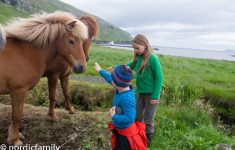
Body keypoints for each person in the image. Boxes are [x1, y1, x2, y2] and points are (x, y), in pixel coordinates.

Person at [94, 63, 147, 150]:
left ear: (117, 83)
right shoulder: (121, 87)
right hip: (120, 130)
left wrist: (114, 116)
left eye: (113, 79)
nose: (111, 80)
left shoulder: (127, 99)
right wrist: (100, 71)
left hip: (125, 136)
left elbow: (130, 118)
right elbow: (109, 78)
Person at [127, 34, 164, 146]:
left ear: (145, 45)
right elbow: (129, 66)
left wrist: (155, 96)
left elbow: (159, 78)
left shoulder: (153, 59)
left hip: (151, 95)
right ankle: (138, 137)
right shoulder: (139, 57)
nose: (135, 50)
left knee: (148, 119)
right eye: (134, 48)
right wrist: (116, 68)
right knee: (137, 116)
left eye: (137, 48)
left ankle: (148, 143)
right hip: (141, 93)